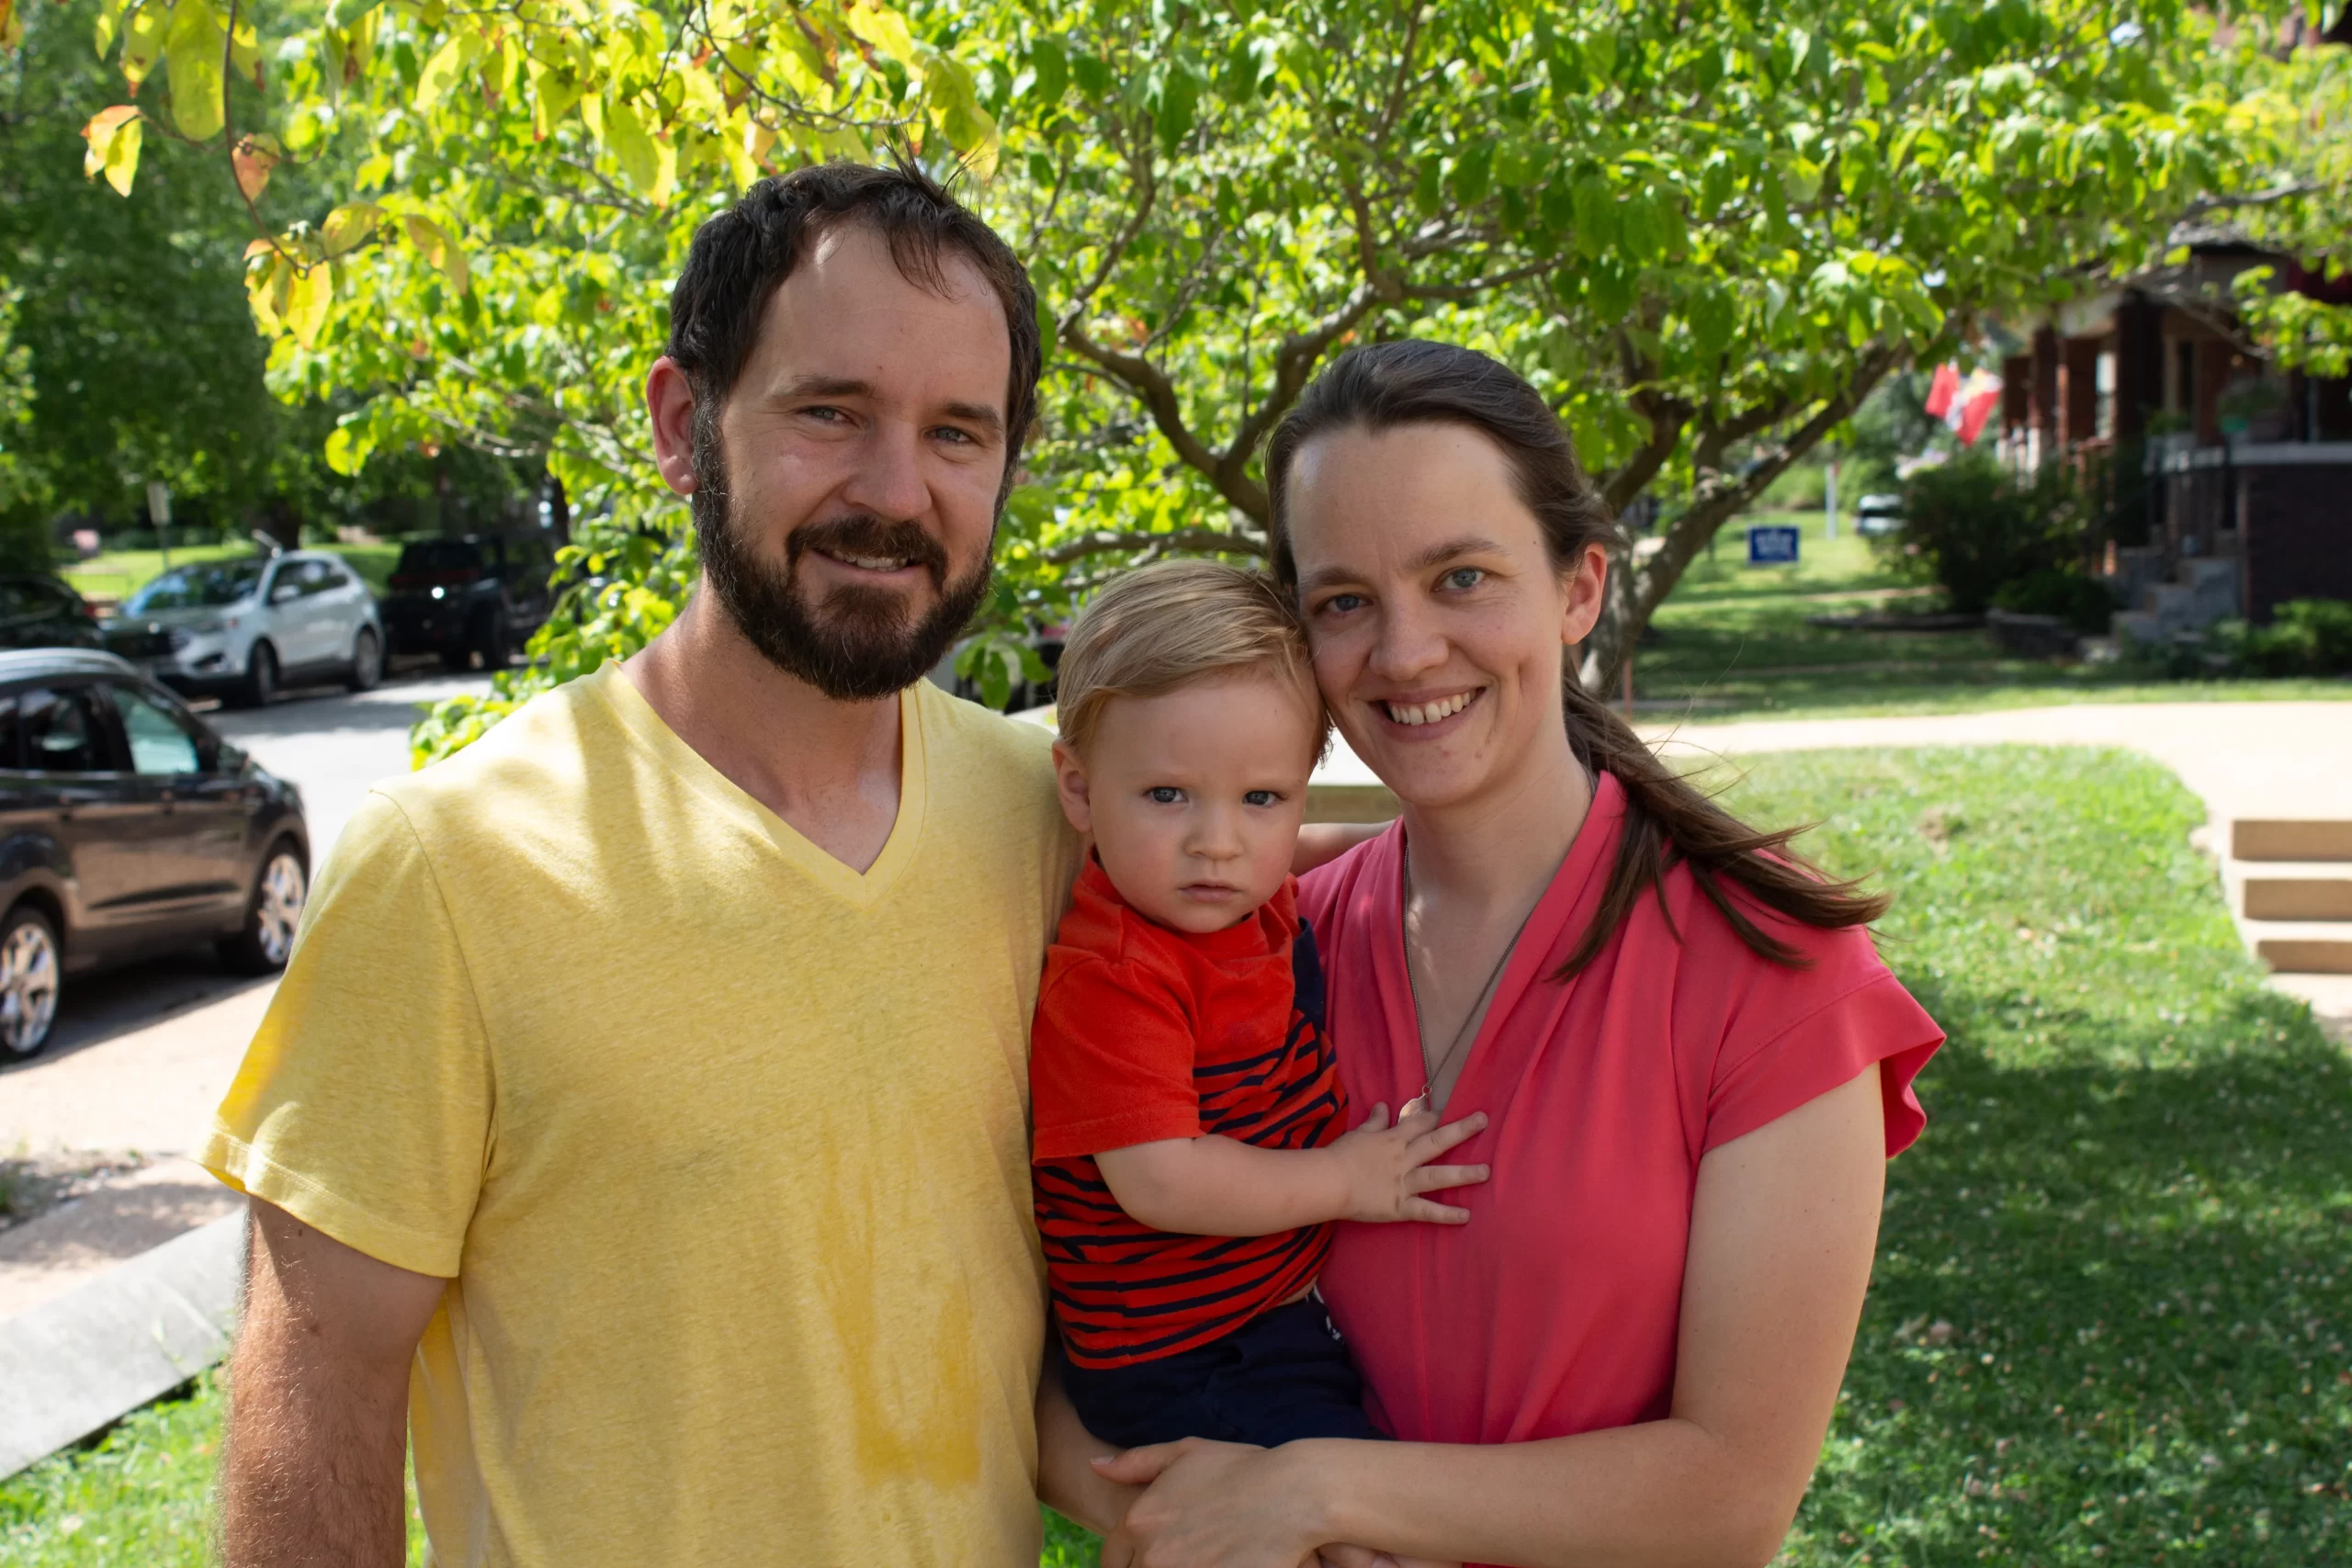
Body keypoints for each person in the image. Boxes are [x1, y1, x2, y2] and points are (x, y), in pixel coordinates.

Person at [198, 163, 1132, 1567]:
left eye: (958, 431)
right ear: (686, 425)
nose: (897, 489)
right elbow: (316, 1397)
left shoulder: (1044, 816)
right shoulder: (452, 863)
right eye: (832, 411)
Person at [1090, 340, 1946, 1568]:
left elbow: (1730, 1492)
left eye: (1462, 576)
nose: (1404, 651)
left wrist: (1319, 1488)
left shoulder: (1778, 970)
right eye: (1344, 601)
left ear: (1579, 587)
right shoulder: (1268, 943)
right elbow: (1099, 1317)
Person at [1030, 561, 1489, 1453]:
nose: (1218, 843)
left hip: (1262, 1315)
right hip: (1180, 1354)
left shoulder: (1245, 890)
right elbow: (1161, 1180)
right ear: (1079, 789)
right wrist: (1350, 1183)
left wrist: (1439, 842)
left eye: (1260, 799)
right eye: (1167, 795)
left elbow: (1320, 852)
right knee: (1351, 1525)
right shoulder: (1116, 975)